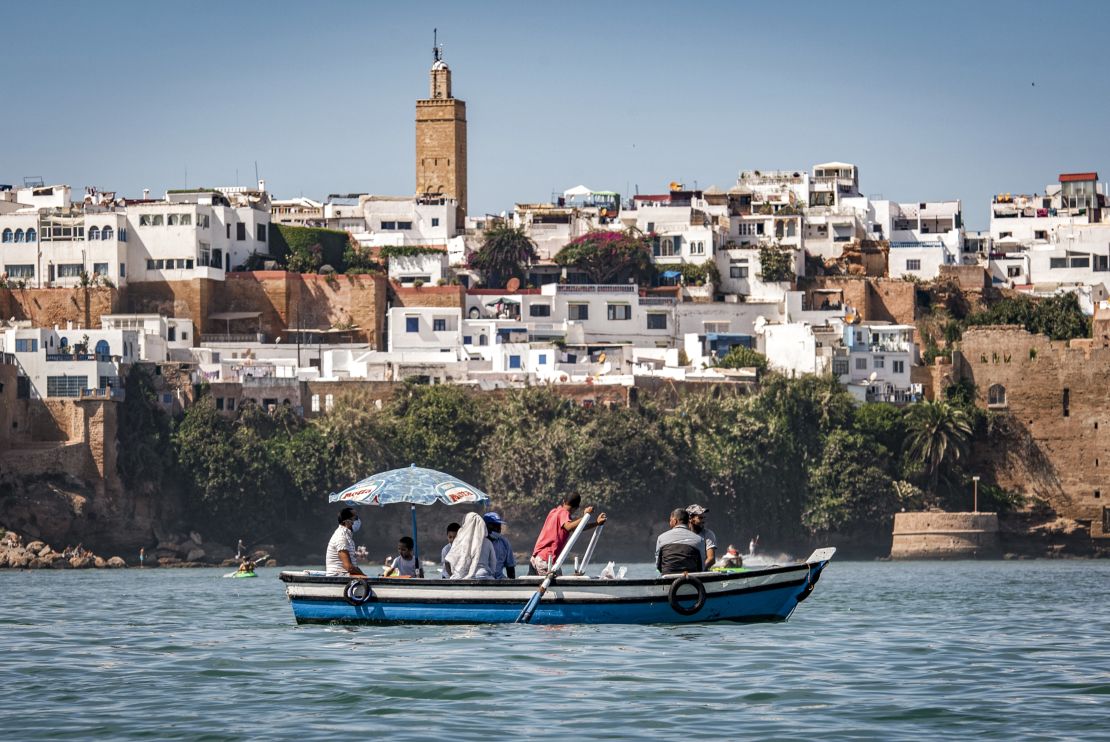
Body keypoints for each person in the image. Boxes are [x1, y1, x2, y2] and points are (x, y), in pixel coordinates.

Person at [530, 494, 606, 576]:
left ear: (563, 501)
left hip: (536, 558)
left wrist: (596, 523)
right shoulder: (564, 513)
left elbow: (576, 528)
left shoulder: (554, 511)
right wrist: (586, 516)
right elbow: (569, 527)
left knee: (541, 583)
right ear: (576, 507)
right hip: (545, 560)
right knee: (557, 583)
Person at [445, 512, 498, 579]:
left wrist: (453, 574)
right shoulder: (488, 542)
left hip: (463, 576)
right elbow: (493, 563)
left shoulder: (460, 540)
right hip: (483, 575)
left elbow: (448, 560)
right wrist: (491, 574)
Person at [655, 508, 706, 575]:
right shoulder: (699, 539)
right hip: (692, 580)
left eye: (670, 520)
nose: (669, 522)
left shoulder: (661, 538)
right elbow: (701, 567)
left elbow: (658, 566)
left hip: (668, 578)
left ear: (675, 521)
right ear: (688, 522)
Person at [325, 506, 367, 577]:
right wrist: (365, 576)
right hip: (338, 578)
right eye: (356, 518)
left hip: (346, 577)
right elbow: (349, 567)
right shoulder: (341, 536)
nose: (358, 520)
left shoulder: (347, 536)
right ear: (347, 521)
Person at [483, 512, 516, 579]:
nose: (498, 529)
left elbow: (510, 567)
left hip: (499, 580)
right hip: (482, 579)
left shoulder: (504, 542)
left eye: (499, 526)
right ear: (486, 526)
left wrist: (513, 585)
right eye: (495, 526)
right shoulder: (478, 542)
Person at [686, 504, 717, 570]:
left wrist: (699, 570)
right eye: (700, 518)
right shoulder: (683, 533)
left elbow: (711, 559)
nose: (703, 521)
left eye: (704, 517)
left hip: (701, 572)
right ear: (690, 519)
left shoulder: (708, 534)